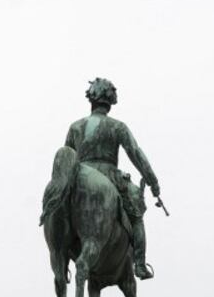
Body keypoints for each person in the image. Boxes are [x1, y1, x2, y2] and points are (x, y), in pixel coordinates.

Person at [64, 78, 159, 280]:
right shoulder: (117, 127)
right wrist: (152, 181)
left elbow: (68, 158)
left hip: (78, 174)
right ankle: (140, 264)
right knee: (137, 213)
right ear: (110, 101)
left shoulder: (75, 127)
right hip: (109, 174)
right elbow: (135, 153)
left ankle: (62, 259)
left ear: (91, 100)